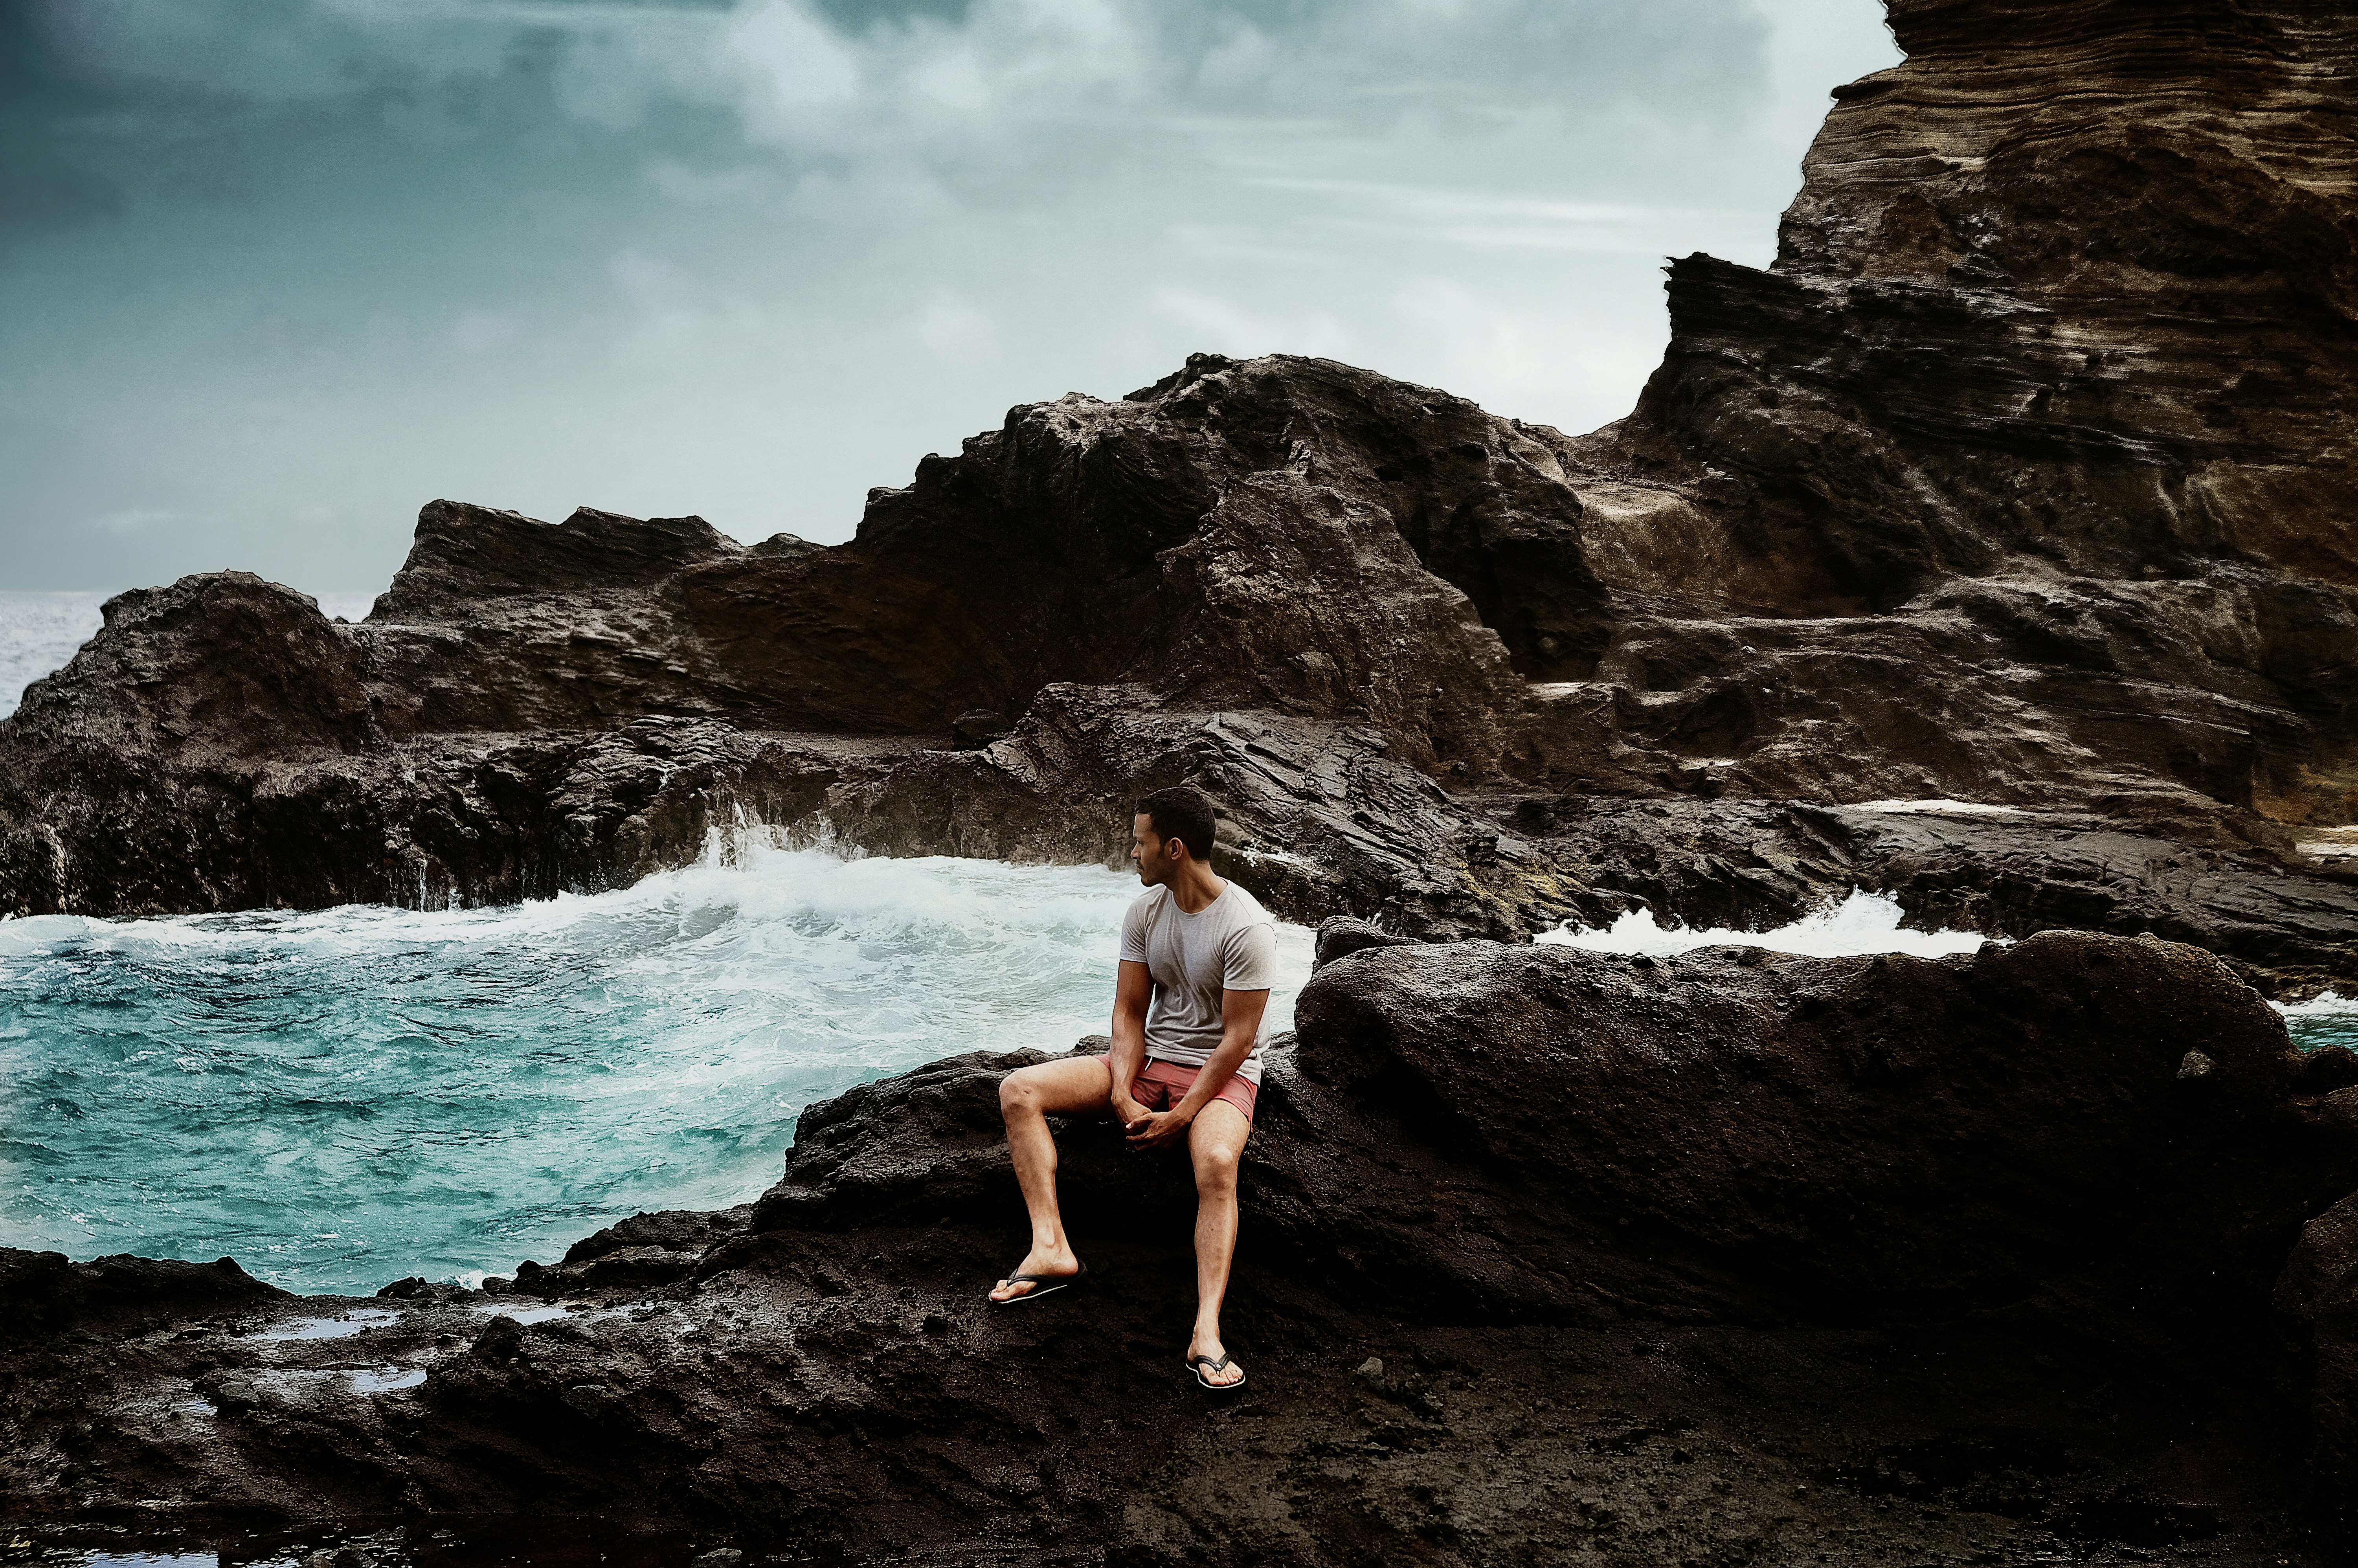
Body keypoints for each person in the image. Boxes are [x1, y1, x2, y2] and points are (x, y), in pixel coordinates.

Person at [987, 785, 1278, 1392]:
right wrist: (1122, 1090)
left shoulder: (1247, 926)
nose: (1132, 852)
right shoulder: (1145, 912)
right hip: (1149, 1064)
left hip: (1222, 1074)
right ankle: (1051, 1247)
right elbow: (1127, 1012)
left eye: (1140, 841)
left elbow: (1238, 1041)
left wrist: (1182, 1116)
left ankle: (1206, 1331)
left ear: (1174, 848)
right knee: (1019, 1090)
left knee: (1218, 1161)